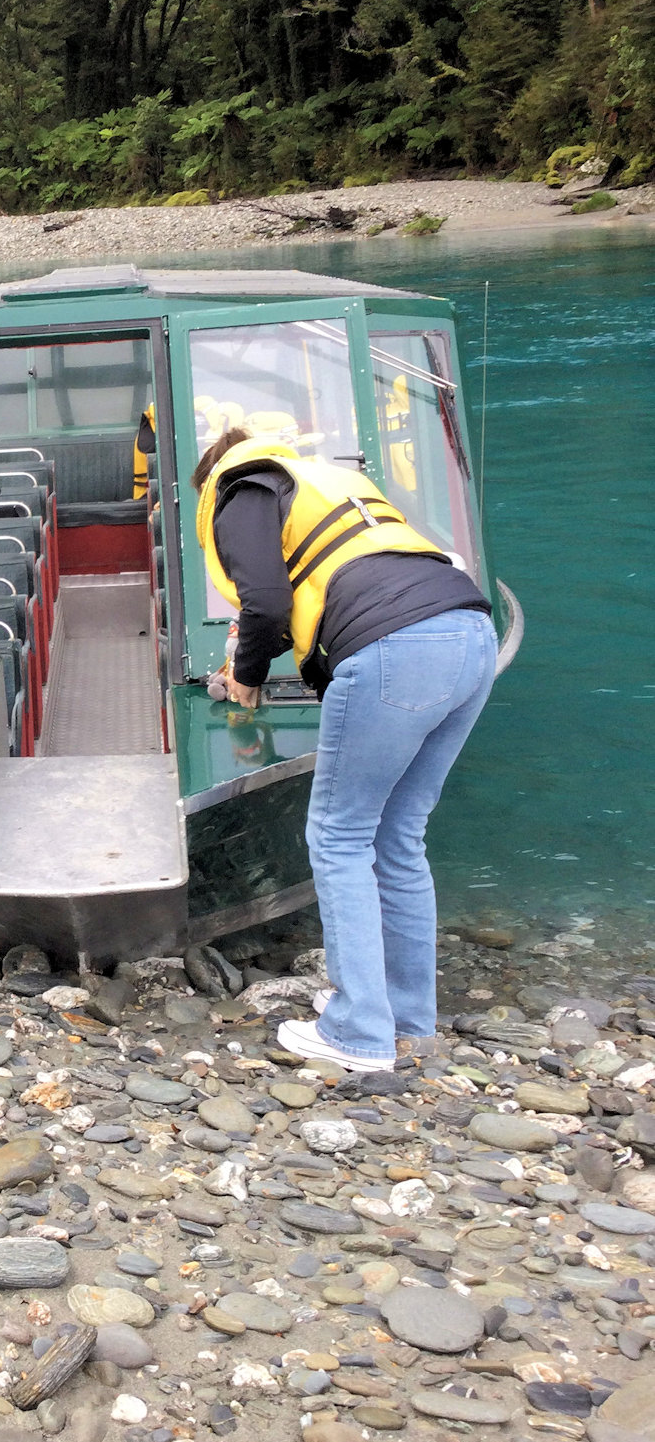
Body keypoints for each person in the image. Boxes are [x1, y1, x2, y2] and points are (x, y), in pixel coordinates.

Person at [193, 425, 497, 1073]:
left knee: (338, 835)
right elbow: (335, 590)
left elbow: (266, 602)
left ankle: (357, 1032)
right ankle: (410, 1025)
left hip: (399, 646)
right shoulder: (329, 484)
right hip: (470, 637)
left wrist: (244, 679)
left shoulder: (241, 488)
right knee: (398, 834)